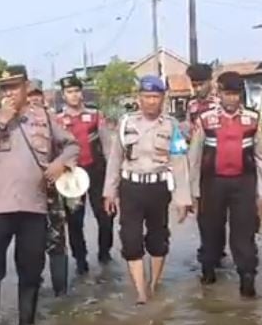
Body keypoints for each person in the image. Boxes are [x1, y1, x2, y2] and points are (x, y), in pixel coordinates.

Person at [0, 65, 79, 325]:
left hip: (34, 207)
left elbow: (72, 145)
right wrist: (2, 120)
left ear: (26, 87)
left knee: (31, 271)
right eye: (4, 88)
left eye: (14, 87)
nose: (9, 93)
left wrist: (60, 164)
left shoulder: (43, 117)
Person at [103, 75, 191, 304]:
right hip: (130, 187)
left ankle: (154, 284)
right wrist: (109, 191)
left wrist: (183, 199)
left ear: (163, 98)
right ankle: (141, 291)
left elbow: (180, 163)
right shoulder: (126, 124)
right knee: (131, 239)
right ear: (138, 98)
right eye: (146, 96)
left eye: (155, 97)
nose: (151, 101)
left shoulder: (172, 127)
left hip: (159, 188)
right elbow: (114, 159)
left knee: (158, 239)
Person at [188, 71, 262, 298]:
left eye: (236, 94)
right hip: (212, 184)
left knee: (244, 233)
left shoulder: (252, 120)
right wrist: (192, 193)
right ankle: (208, 273)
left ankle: (247, 280)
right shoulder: (205, 119)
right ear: (220, 92)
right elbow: (194, 159)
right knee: (211, 230)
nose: (232, 99)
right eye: (228, 93)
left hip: (243, 184)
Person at [56, 75, 114, 274]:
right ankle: (80, 259)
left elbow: (108, 145)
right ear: (63, 95)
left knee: (106, 214)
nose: (74, 95)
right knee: (75, 220)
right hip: (71, 174)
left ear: (82, 92)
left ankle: (105, 253)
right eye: (69, 92)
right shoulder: (57, 120)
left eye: (76, 91)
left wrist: (114, 174)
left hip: (96, 170)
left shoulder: (95, 115)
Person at [28, 79, 69, 296]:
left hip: (53, 190)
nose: (34, 99)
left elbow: (70, 149)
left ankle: (60, 292)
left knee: (57, 240)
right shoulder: (17, 123)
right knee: (30, 244)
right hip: (26, 194)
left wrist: (60, 166)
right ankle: (32, 288)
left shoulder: (53, 121)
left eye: (37, 94)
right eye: (30, 95)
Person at [185, 63, 227, 267]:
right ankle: (208, 247)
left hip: (220, 163)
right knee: (201, 209)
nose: (197, 88)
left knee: (219, 211)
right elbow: (189, 131)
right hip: (198, 165)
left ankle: (218, 249)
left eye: (200, 84)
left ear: (210, 82)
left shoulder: (221, 103)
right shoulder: (191, 105)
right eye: (194, 84)